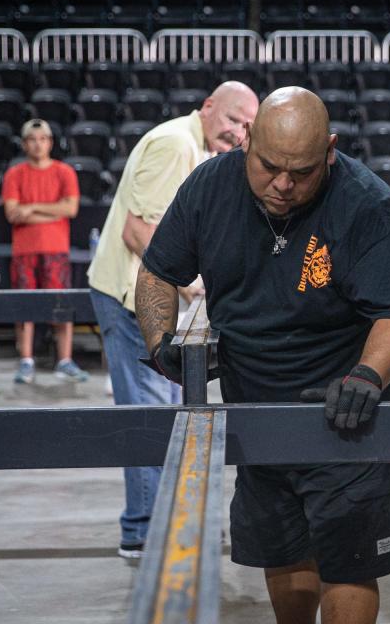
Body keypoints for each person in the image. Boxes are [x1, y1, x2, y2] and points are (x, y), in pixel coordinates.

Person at [135, 87, 390, 624]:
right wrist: (161, 342)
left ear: (331, 150)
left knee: (348, 559)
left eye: (303, 172)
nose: (284, 185)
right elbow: (157, 270)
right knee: (283, 546)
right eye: (270, 167)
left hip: (349, 416)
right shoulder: (209, 188)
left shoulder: (368, 205)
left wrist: (368, 375)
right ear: (246, 140)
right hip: (258, 414)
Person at [86, 81, 259, 559]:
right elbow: (139, 231)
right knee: (148, 418)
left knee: (172, 415)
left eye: (248, 125)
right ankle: (143, 531)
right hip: (129, 301)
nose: (239, 132)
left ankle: (168, 521)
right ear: (206, 108)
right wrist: (196, 286)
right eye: (232, 119)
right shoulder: (175, 144)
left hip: (154, 303)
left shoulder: (201, 149)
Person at [2, 118, 88, 384]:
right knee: (25, 305)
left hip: (56, 250)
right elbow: (12, 214)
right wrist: (50, 210)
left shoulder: (64, 172)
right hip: (24, 251)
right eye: (32, 139)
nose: (37, 144)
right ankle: (26, 360)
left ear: (50, 142)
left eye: (42, 139)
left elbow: (70, 209)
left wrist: (31, 209)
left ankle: (64, 360)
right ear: (25, 143)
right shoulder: (15, 173)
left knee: (61, 305)